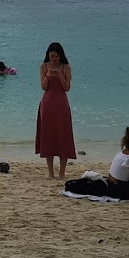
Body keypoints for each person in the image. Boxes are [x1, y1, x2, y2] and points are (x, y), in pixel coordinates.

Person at [36, 43, 76, 179]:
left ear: (61, 56)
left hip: (61, 103)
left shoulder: (66, 67)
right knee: (48, 136)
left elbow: (67, 88)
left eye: (56, 56)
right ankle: (50, 172)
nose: (54, 59)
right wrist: (47, 75)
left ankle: (62, 172)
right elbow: (43, 87)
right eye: (52, 56)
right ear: (48, 55)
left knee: (63, 135)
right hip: (47, 102)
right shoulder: (43, 66)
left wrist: (60, 75)